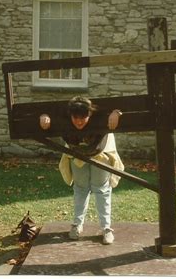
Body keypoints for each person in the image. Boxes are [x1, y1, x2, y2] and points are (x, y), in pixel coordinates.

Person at [39, 96, 124, 245]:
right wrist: (43, 115)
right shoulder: (65, 116)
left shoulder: (97, 116)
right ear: (70, 115)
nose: (79, 121)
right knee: (80, 188)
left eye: (83, 117)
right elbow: (49, 112)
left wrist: (117, 111)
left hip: (100, 154)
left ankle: (106, 228)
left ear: (90, 115)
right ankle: (77, 225)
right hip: (77, 154)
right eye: (75, 117)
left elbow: (118, 109)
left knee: (101, 190)